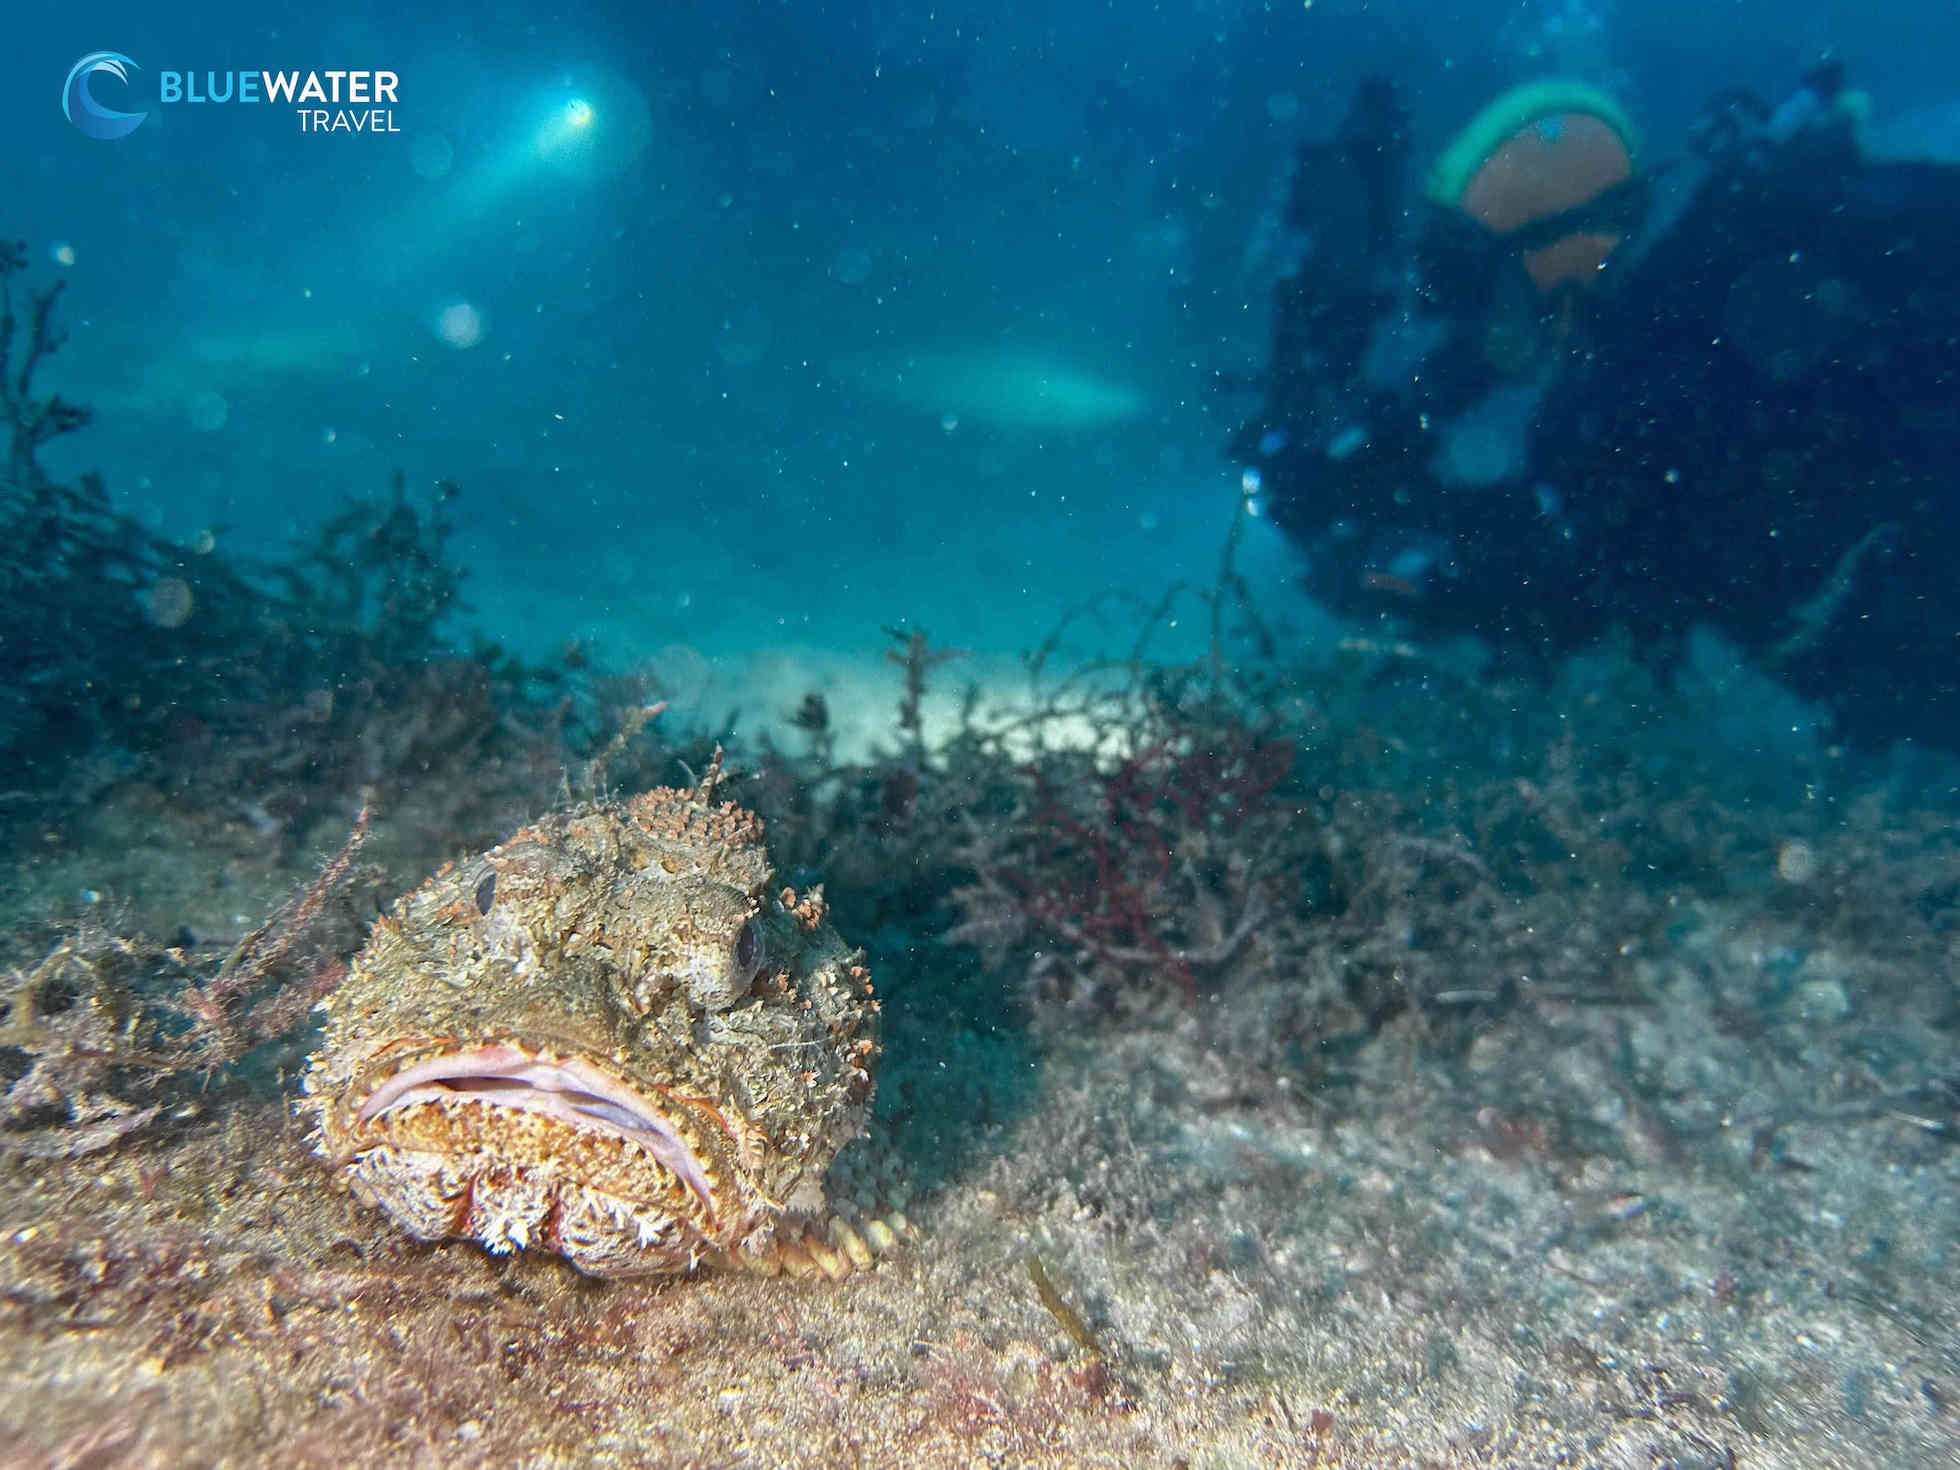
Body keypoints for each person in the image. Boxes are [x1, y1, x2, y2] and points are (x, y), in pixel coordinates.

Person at [1240, 67, 1960, 747]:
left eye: (1486, 292)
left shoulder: (1667, 352)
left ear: (1565, 253)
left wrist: (1393, 557)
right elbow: (1586, 531)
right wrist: (1383, 464)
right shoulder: (1668, 310)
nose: (1481, 328)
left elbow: (1578, 569)